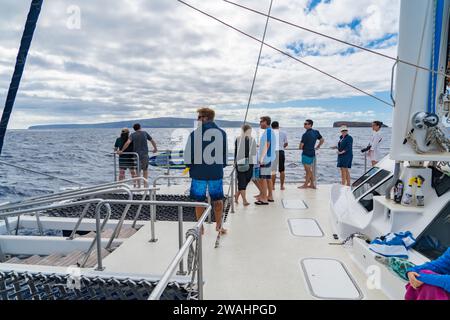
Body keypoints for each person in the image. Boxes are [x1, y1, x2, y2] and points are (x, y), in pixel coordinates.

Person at [184, 107, 228, 234]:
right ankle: (219, 226)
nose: (197, 120)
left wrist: (189, 166)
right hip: (215, 172)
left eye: (199, 117)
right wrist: (221, 166)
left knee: (199, 200)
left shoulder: (194, 134)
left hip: (198, 173)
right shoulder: (222, 133)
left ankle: (200, 227)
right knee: (218, 200)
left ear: (205, 118)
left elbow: (188, 155)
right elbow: (224, 154)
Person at [255, 116, 276, 205]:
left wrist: (261, 158)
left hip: (266, 159)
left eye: (261, 121)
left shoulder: (268, 131)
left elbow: (267, 145)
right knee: (268, 178)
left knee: (263, 178)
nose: (260, 123)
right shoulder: (270, 131)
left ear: (266, 122)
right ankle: (270, 196)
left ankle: (264, 199)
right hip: (269, 158)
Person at [234, 124, 257, 206]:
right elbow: (236, 152)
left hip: (248, 163)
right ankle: (244, 200)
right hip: (241, 162)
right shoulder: (239, 139)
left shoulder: (251, 139)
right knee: (242, 182)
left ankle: (237, 195)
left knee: (245, 181)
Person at [299, 119, 324, 189]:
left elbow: (300, 146)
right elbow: (322, 140)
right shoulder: (316, 132)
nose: (304, 125)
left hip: (306, 154)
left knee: (308, 171)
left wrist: (301, 146)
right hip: (312, 153)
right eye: (304, 123)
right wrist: (318, 146)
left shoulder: (305, 134)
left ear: (310, 125)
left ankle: (305, 185)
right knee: (309, 170)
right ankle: (312, 184)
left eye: (306, 124)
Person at [271, 121, 288, 191]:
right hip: (281, 152)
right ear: (278, 126)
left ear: (271, 127)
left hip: (273, 152)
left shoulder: (270, 133)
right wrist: (282, 146)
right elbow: (286, 143)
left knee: (273, 170)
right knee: (282, 170)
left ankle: (272, 186)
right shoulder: (283, 133)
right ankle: (281, 186)